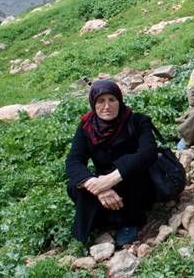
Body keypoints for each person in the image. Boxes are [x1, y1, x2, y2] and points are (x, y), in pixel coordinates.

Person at [65, 80, 157, 246]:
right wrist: (96, 185)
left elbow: (148, 153)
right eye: (100, 101)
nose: (106, 106)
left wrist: (113, 178)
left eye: (112, 100)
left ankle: (128, 222)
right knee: (75, 184)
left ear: (119, 101)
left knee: (132, 178)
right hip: (102, 182)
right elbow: (73, 161)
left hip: (133, 180)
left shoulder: (137, 121)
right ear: (93, 104)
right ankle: (104, 216)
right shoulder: (86, 127)